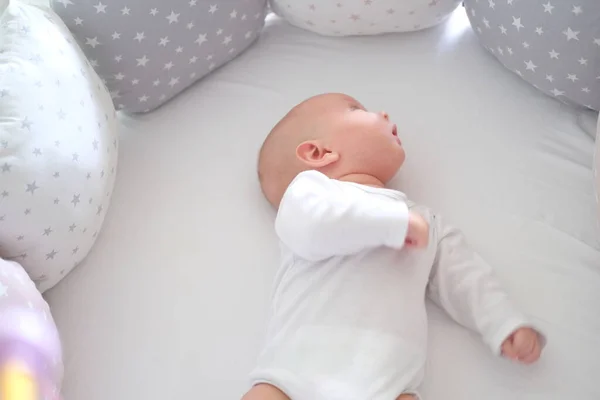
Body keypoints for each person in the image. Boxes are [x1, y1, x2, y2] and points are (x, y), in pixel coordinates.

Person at [244, 93, 544, 400]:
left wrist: (502, 321)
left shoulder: (426, 222)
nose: (384, 113)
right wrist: (391, 224)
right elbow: (317, 226)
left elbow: (464, 276)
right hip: (294, 372)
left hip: (388, 379)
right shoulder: (308, 194)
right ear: (318, 152)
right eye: (356, 109)